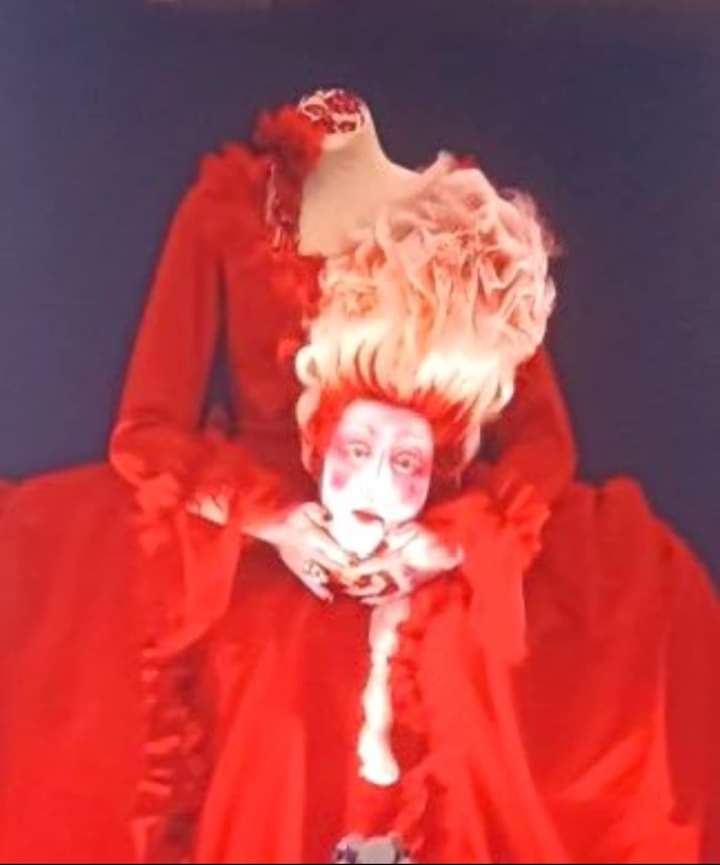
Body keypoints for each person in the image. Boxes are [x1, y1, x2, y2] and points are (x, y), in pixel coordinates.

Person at [0, 88, 716, 864]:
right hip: (263, 544)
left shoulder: (455, 221)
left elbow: (545, 445)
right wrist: (272, 518)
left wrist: (452, 536)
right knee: (264, 692)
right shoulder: (224, 209)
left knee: (488, 692)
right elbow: (144, 433)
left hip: (422, 523)